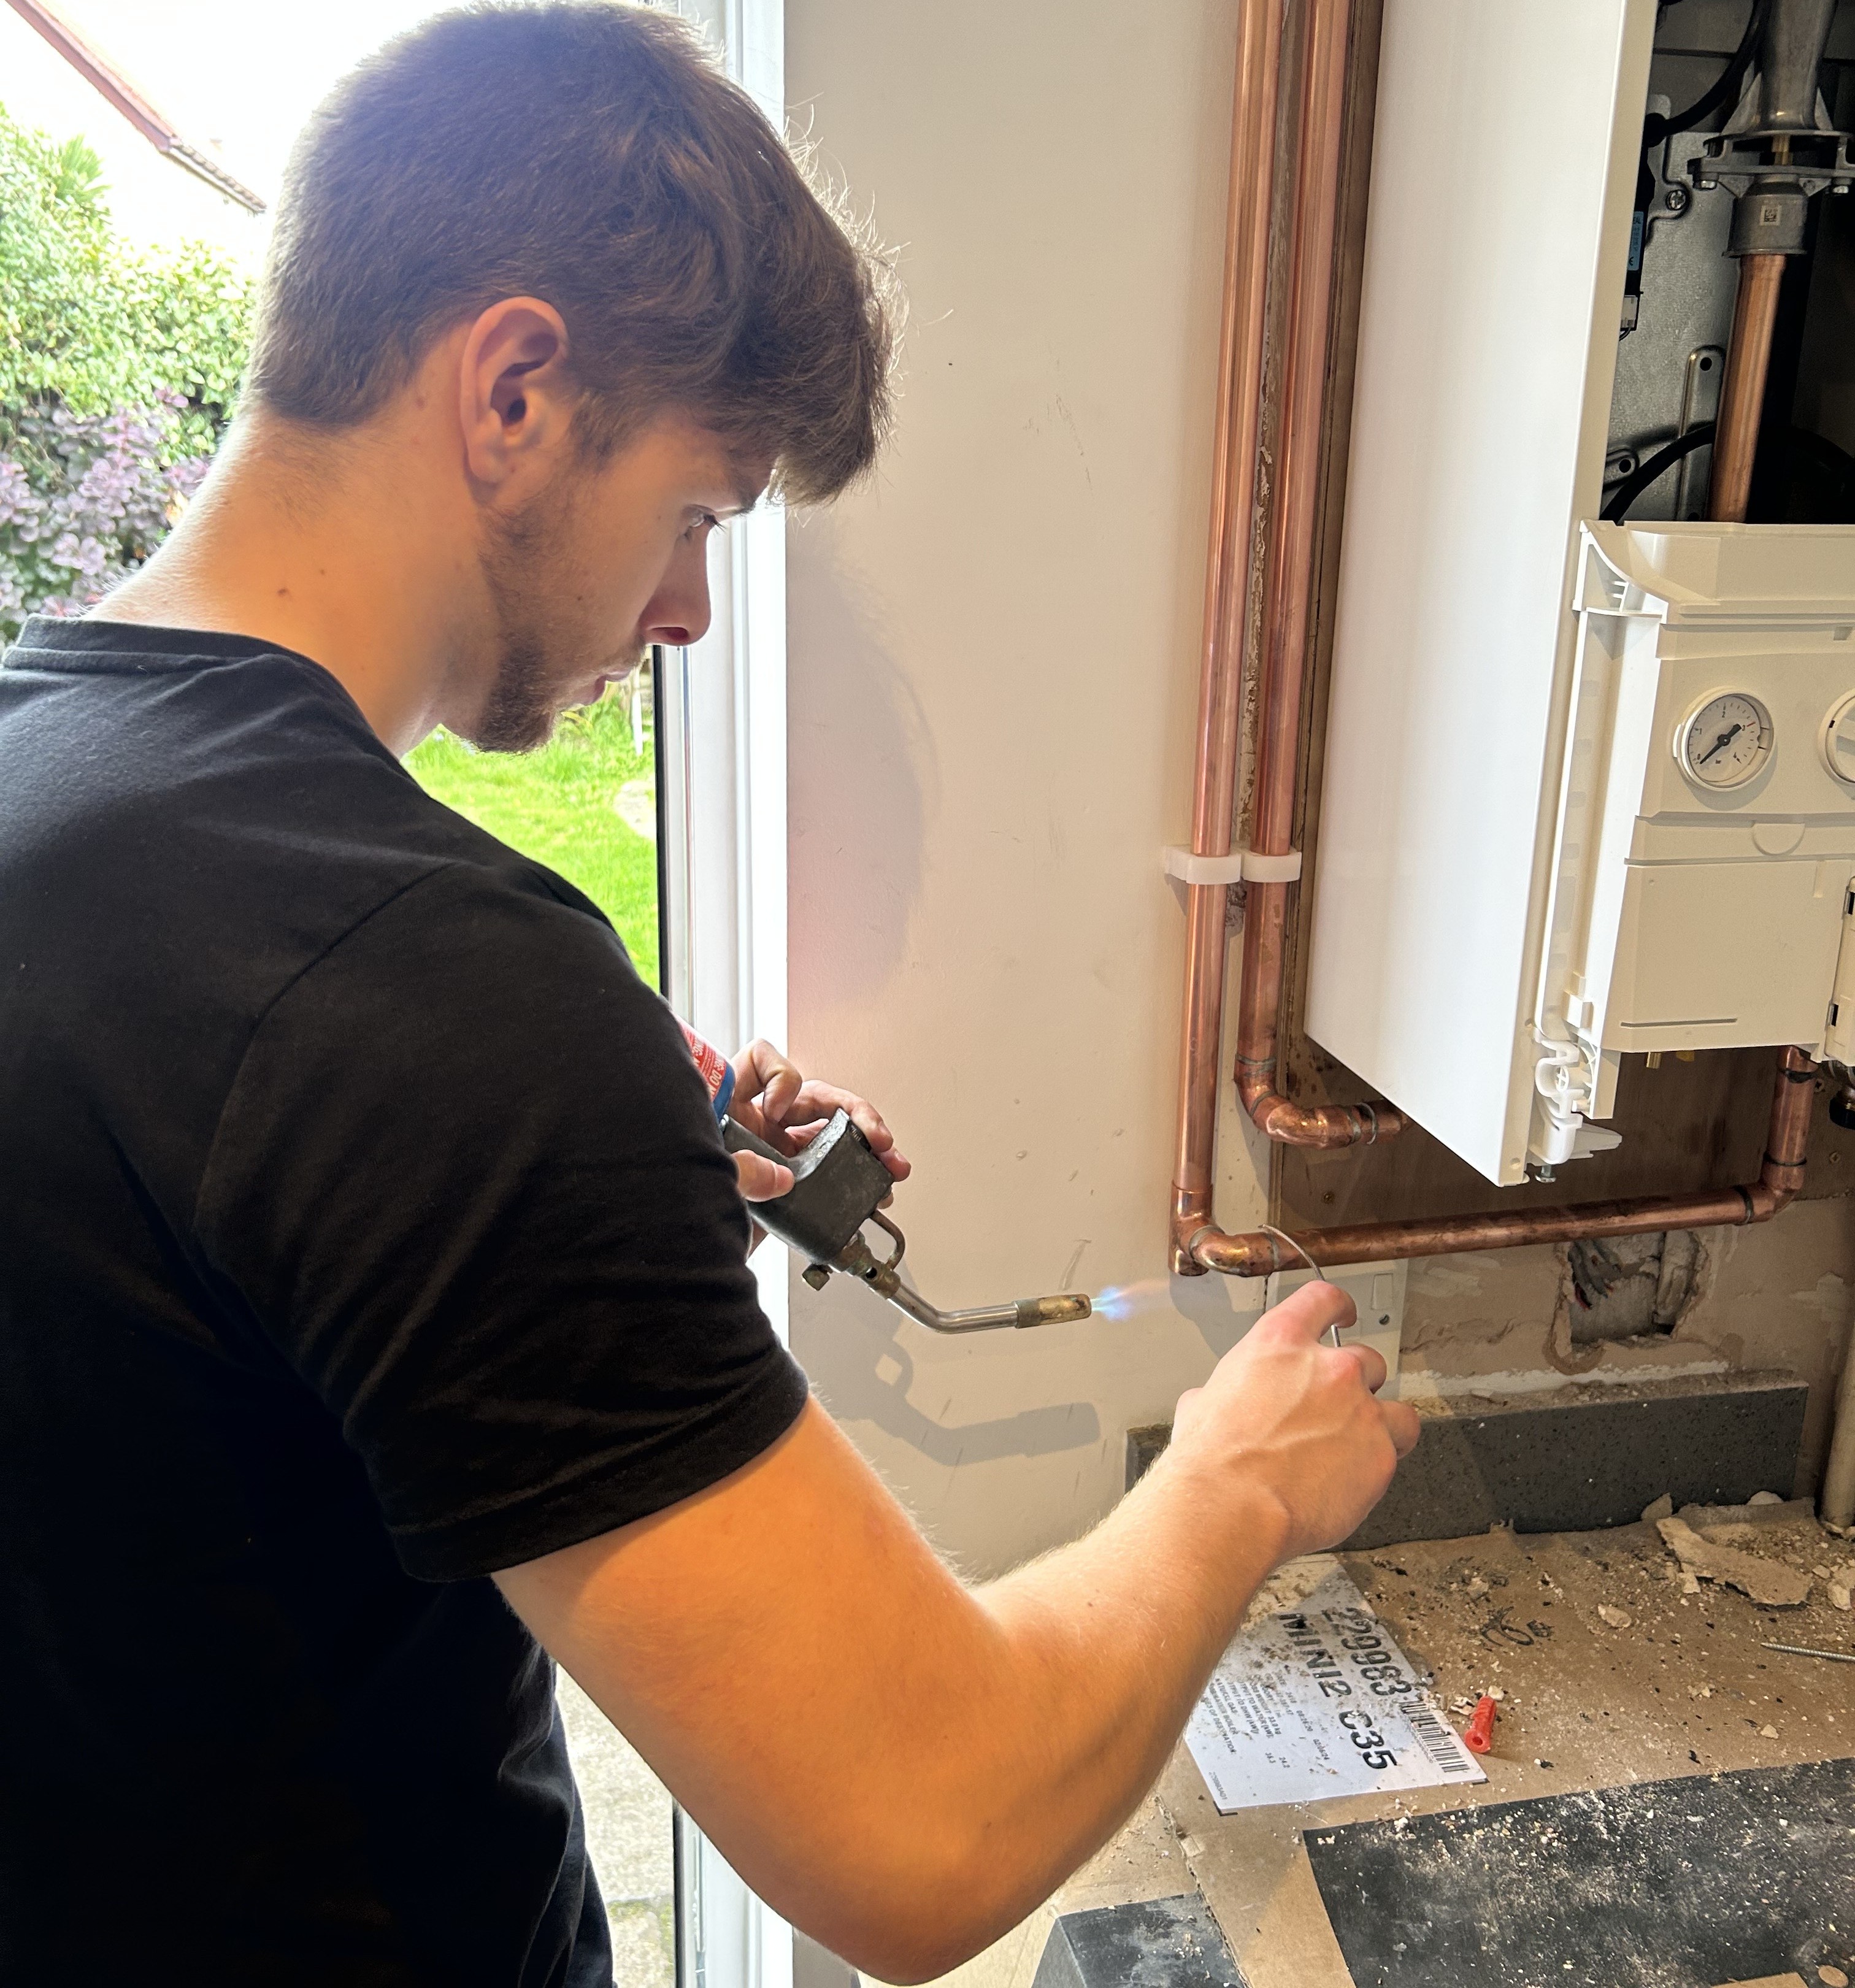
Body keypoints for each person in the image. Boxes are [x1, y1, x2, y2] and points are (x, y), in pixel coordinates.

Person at [0, 5, 1419, 1984]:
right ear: (513, 389)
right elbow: (923, 1820)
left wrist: (590, 1199)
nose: (683, 611)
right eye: (697, 512)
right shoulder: (425, 984)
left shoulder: (50, 771)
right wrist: (1235, 1481)